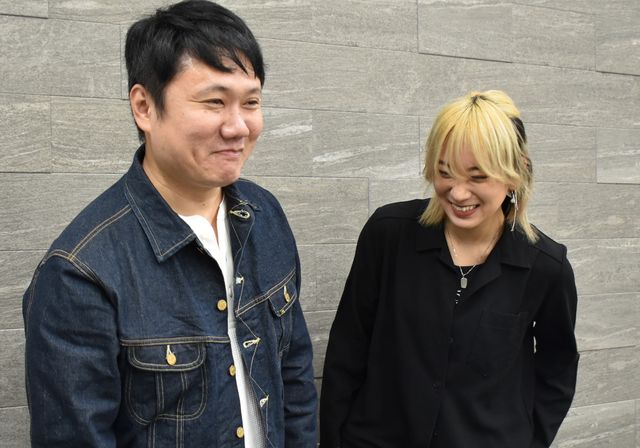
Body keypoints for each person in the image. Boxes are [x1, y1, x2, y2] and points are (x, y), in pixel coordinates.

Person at [22, 1, 317, 446]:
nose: (238, 127)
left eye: (251, 102)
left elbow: (293, 373)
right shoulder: (80, 273)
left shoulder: (264, 214)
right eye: (214, 102)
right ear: (144, 106)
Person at [319, 90, 579, 448]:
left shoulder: (546, 267)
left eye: (477, 176)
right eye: (445, 173)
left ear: (515, 174)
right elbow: (347, 350)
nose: (457, 193)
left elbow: (558, 368)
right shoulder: (388, 234)